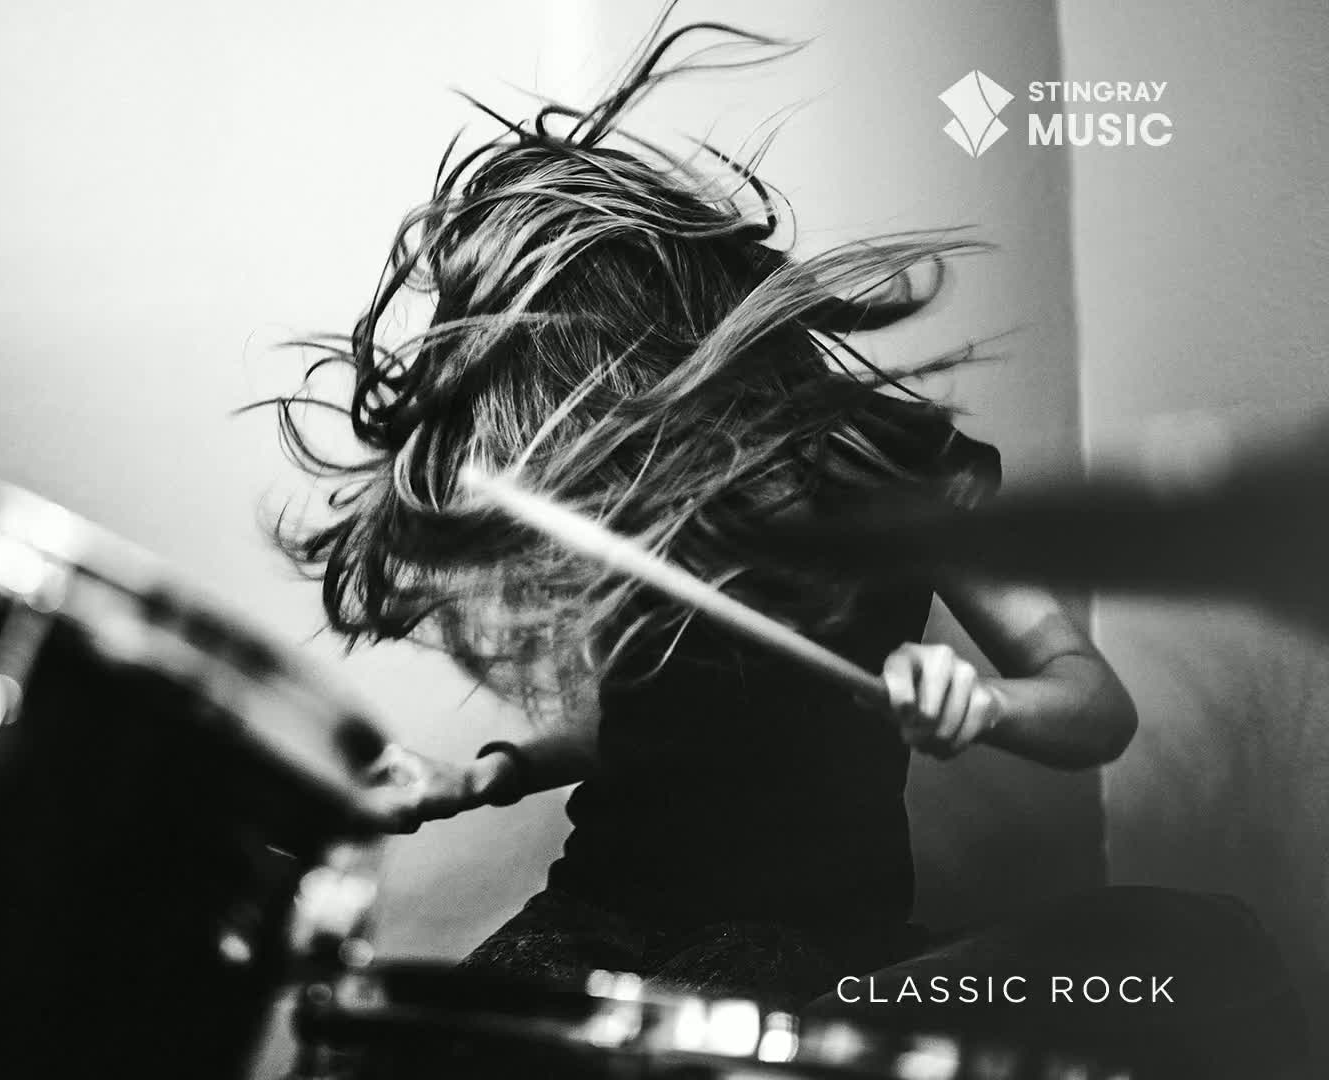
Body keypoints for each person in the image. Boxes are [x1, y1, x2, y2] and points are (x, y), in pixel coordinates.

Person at [259, 23, 1137, 1010]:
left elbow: (1096, 707)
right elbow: (643, 730)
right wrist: (480, 777)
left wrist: (986, 704)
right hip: (597, 905)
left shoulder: (906, 472)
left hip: (799, 929)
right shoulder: (637, 495)